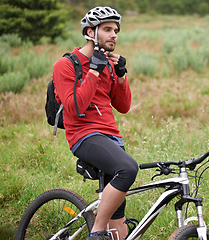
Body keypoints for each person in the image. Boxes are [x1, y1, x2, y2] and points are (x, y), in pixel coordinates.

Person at [52, 6, 138, 240]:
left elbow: (123, 107)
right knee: (128, 169)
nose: (114, 35)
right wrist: (94, 70)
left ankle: (107, 229)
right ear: (90, 32)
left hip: (112, 137)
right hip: (84, 135)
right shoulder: (66, 65)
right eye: (107, 29)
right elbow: (75, 108)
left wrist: (120, 76)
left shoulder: (109, 64)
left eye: (116, 30)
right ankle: (96, 232)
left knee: (118, 218)